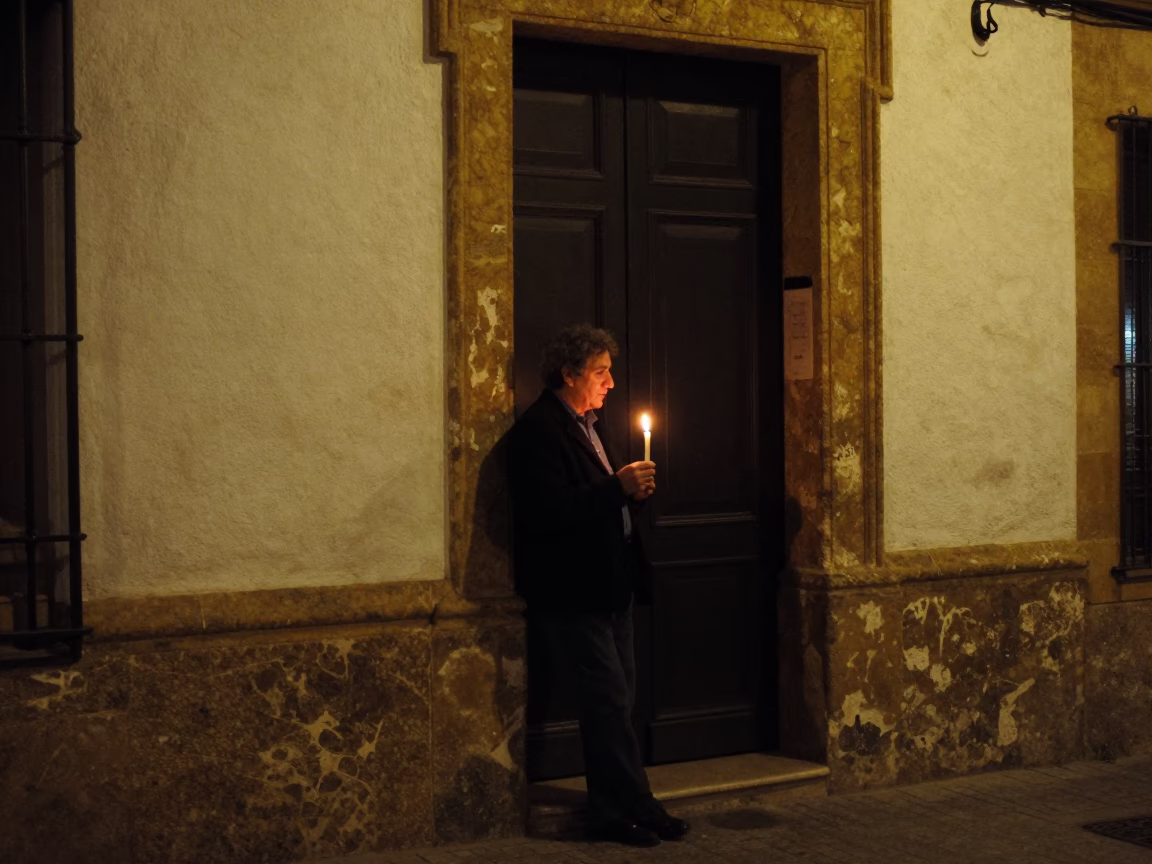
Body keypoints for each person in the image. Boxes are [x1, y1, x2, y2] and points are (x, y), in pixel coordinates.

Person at [510, 323, 690, 848]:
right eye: (600, 372)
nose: (611, 382)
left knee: (618, 703)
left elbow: (598, 500)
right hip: (576, 591)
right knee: (607, 703)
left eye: (610, 371)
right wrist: (616, 487)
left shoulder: (590, 424)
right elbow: (549, 512)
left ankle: (621, 806)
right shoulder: (540, 432)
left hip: (613, 586)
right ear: (569, 374)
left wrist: (630, 495)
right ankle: (628, 808)